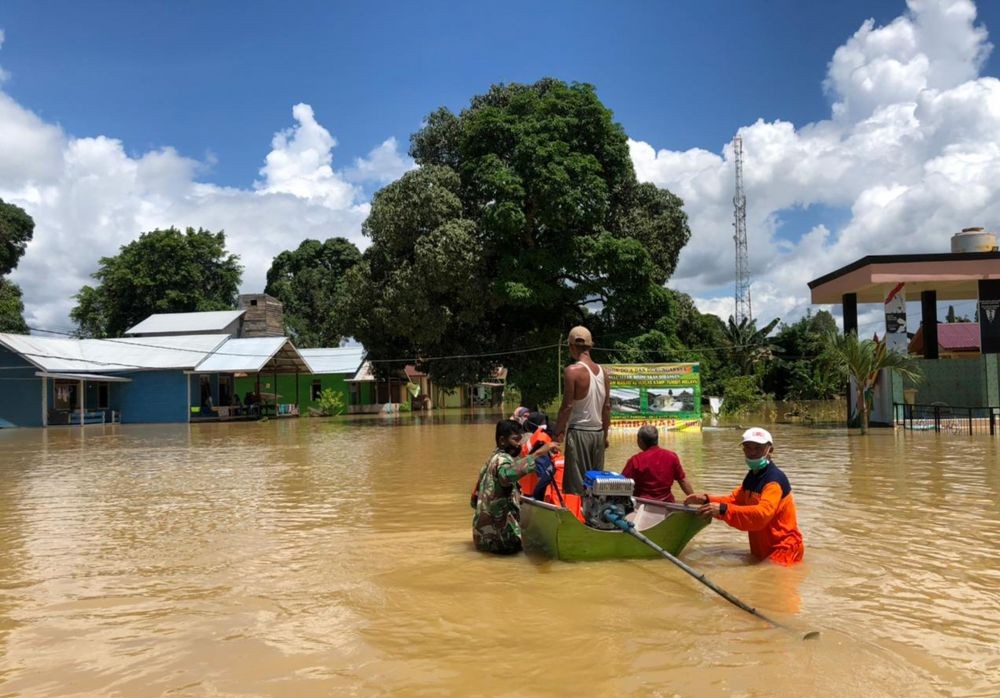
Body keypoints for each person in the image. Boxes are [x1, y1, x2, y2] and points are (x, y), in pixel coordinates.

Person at [684, 427, 804, 566]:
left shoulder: (774, 480)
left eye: (757, 448)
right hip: (763, 549)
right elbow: (735, 500)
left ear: (770, 450)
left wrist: (723, 510)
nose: (752, 453)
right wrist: (706, 499)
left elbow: (762, 514)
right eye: (748, 447)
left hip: (783, 550)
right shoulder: (753, 476)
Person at [471, 419, 557, 554]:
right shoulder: (502, 460)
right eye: (515, 439)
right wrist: (537, 454)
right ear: (502, 441)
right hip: (499, 540)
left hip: (481, 537)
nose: (519, 444)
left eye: (520, 439)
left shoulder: (490, 461)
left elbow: (474, 501)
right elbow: (506, 476)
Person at [554, 326, 610, 495]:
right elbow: (607, 407)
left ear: (571, 346)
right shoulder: (604, 373)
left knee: (576, 485)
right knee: (595, 483)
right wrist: (605, 435)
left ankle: (577, 517)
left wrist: (557, 434)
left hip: (579, 433)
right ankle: (595, 518)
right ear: (590, 346)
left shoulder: (572, 371)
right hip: (598, 433)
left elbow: (567, 407)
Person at [622, 425, 694, 503]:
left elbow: (623, 484)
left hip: (642, 505)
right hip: (667, 503)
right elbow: (682, 480)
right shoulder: (672, 456)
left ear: (640, 441)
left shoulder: (635, 460)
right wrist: (695, 499)